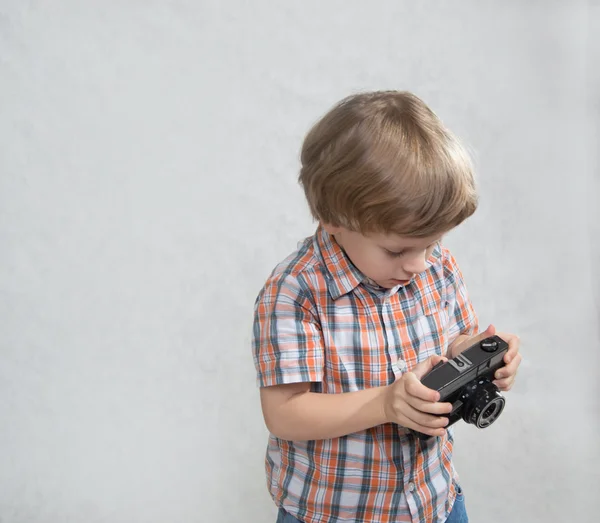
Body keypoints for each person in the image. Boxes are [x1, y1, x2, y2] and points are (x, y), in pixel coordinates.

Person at [251, 91, 521, 523]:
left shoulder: (435, 265)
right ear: (333, 218)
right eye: (397, 251)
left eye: (431, 244)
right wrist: (385, 404)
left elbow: (456, 340)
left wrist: (483, 353)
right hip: (334, 512)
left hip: (435, 500)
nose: (417, 265)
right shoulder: (296, 291)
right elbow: (284, 413)